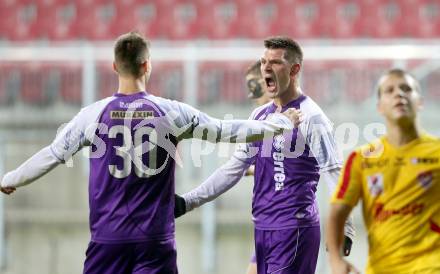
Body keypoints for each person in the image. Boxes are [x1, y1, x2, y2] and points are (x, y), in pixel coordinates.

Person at [0, 32, 302, 274]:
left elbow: (52, 154)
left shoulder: (92, 115)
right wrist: (277, 124)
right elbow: (224, 130)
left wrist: (12, 177)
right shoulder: (170, 111)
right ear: (147, 66)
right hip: (154, 242)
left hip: (108, 241)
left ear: (115, 67)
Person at [175, 36, 355, 274]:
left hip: (294, 229)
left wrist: (346, 228)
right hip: (263, 229)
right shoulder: (260, 116)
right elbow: (235, 167)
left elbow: (333, 172)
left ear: (295, 69)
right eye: (263, 61)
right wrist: (189, 201)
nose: (266, 68)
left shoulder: (312, 117)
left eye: (275, 62)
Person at [327, 69, 440, 274]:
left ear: (420, 102)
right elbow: (337, 212)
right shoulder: (361, 158)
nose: (399, 94)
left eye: (407, 89)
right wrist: (336, 260)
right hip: (382, 268)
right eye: (390, 90)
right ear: (379, 107)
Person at [244, 60, 271, 274]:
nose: (251, 94)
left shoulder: (284, 117)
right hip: (266, 218)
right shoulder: (260, 119)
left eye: (254, 86)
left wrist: (251, 168)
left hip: (284, 219)